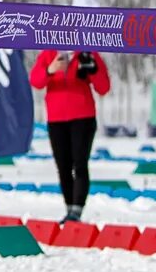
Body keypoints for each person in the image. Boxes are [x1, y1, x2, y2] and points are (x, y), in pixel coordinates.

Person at [32, 46, 111, 222]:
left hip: (83, 116)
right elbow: (36, 81)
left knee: (80, 164)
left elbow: (103, 87)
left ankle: (76, 209)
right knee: (63, 166)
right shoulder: (49, 53)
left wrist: (93, 70)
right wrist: (50, 70)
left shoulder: (88, 53)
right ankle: (69, 208)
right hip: (56, 118)